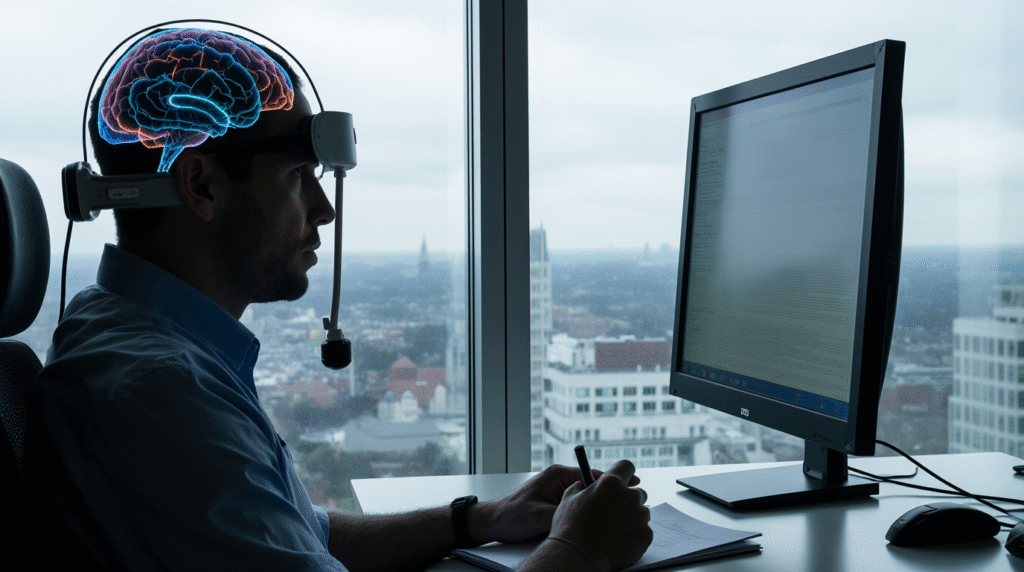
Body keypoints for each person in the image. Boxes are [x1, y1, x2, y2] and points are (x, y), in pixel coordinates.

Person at [30, 27, 653, 571]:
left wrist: (485, 518)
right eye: (298, 176)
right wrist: (582, 551)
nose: (323, 209)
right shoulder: (161, 391)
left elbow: (305, 539)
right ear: (201, 185)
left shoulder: (140, 339)